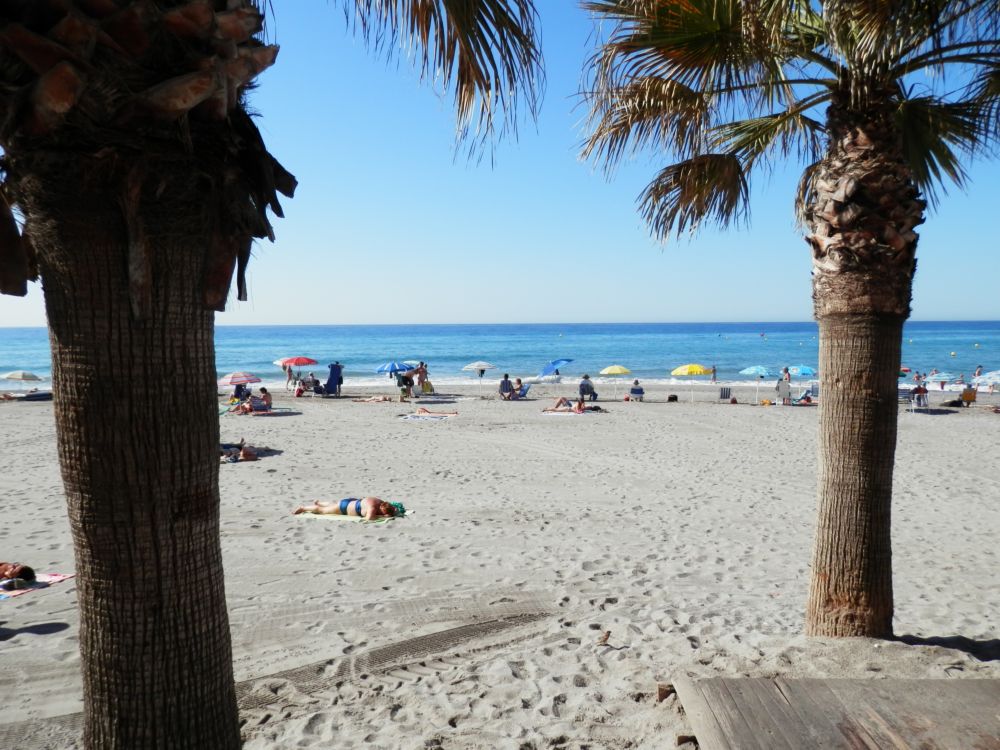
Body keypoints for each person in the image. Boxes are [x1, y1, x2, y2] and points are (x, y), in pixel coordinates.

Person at [293, 497, 405, 521]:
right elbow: (369, 518)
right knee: (322, 511)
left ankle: (319, 502)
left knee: (333, 503)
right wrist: (382, 516)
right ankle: (303, 508)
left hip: (352, 501)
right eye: (380, 512)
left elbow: (394, 508)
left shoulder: (381, 502)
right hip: (345, 508)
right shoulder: (372, 507)